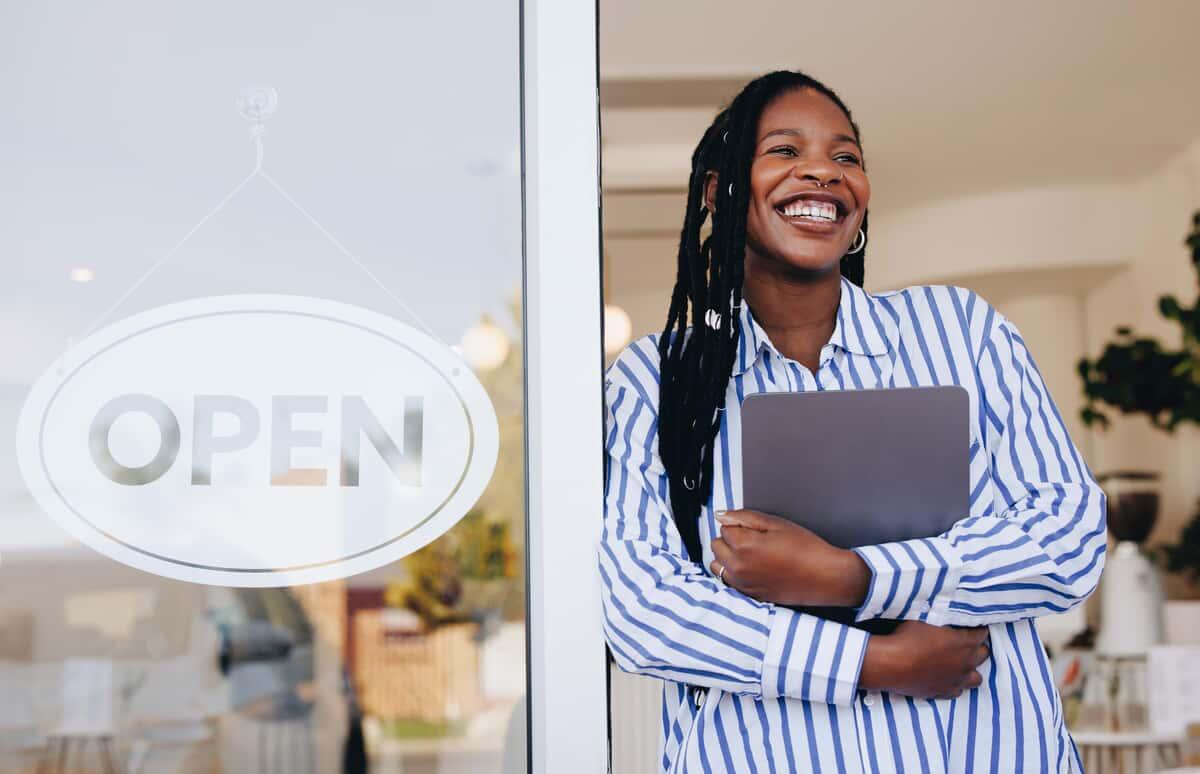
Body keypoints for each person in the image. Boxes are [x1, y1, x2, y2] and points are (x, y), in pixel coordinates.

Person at [599, 70, 1106, 773]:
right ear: (719, 190)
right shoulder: (658, 380)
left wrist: (850, 577)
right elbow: (643, 611)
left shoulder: (961, 333)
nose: (822, 172)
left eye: (846, 158)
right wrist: (872, 662)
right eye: (783, 150)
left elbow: (1066, 535)